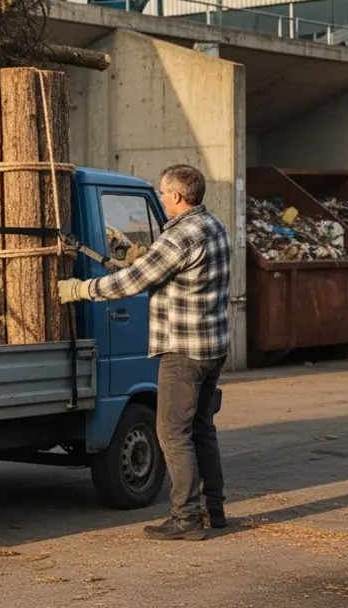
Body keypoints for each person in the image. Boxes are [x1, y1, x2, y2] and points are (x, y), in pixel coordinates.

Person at [58, 164, 231, 541]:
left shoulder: (179, 237)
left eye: (164, 192)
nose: (162, 196)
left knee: (171, 432)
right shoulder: (215, 226)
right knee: (201, 429)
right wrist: (117, 259)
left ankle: (185, 519)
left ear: (177, 198)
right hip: (212, 346)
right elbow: (161, 270)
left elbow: (135, 280)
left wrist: (82, 289)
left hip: (183, 349)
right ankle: (213, 509)